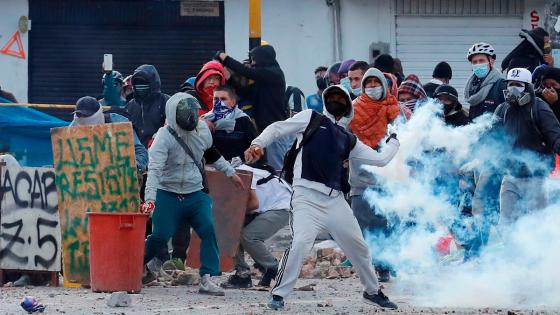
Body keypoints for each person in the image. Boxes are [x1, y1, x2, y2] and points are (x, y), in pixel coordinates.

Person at [244, 85, 400, 310]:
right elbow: (278, 128)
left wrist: (394, 140)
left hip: (335, 200)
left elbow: (381, 160)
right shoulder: (311, 118)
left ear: (348, 106)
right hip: (306, 197)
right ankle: (278, 294)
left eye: (340, 97)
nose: (335, 99)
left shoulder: (349, 139)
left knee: (359, 247)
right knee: (300, 244)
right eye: (332, 96)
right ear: (325, 101)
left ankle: (372, 291)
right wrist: (258, 143)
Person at [141, 92, 245, 296]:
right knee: (161, 235)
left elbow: (211, 152)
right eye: (185, 114)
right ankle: (137, 265)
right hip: (167, 191)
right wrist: (150, 200)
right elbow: (154, 170)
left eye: (193, 113)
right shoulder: (163, 138)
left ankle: (208, 278)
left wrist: (230, 173)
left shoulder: (202, 130)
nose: (190, 118)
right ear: (172, 115)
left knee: (208, 229)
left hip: (195, 191)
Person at [348, 67, 400, 282]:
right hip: (360, 177)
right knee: (361, 224)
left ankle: (384, 266)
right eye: (367, 85)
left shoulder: (394, 111)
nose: (371, 88)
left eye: (375, 84)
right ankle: (368, 266)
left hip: (387, 179)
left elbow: (404, 139)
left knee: (383, 224)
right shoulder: (352, 110)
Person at [493, 68, 560, 224]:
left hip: (535, 177)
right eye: (510, 84)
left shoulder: (539, 107)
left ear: (528, 86)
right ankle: (510, 248)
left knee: (537, 225)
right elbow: (490, 137)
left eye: (518, 84)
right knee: (506, 224)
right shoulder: (502, 109)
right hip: (510, 175)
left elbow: (555, 135)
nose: (513, 89)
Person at [216, 45, 290, 170]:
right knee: (265, 168)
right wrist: (230, 79)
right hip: (264, 130)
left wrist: (224, 58)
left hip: (275, 130)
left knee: (276, 168)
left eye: (254, 59)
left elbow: (247, 72)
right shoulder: (265, 82)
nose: (252, 63)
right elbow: (246, 91)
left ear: (263, 58)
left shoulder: (274, 74)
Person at [221, 163, 291, 289]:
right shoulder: (234, 171)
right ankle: (243, 274)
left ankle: (275, 268)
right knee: (232, 231)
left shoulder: (240, 172)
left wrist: (234, 214)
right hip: (271, 206)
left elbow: (254, 204)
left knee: (249, 236)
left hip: (282, 207)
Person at [70, 96, 148, 172]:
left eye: (86, 115)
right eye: (81, 115)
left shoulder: (119, 123)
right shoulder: (73, 127)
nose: (83, 118)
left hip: (117, 177)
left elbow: (140, 151)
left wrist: (134, 167)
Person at [201, 85, 258, 161]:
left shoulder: (243, 120)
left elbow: (255, 145)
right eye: (216, 99)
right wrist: (200, 123)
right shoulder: (204, 120)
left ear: (233, 102)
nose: (219, 102)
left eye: (223, 99)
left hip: (238, 167)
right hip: (210, 168)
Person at [350, 67, 399, 149]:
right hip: (360, 156)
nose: (372, 85)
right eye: (369, 82)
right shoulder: (353, 107)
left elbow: (403, 132)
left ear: (383, 84)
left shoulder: (393, 105)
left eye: (376, 81)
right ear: (364, 86)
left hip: (390, 156)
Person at [125, 64, 169, 148]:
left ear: (153, 83)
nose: (140, 85)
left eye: (143, 82)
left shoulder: (166, 102)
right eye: (137, 83)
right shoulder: (130, 106)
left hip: (161, 154)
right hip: (137, 156)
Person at [464, 42, 506, 120]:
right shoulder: (473, 86)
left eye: (481, 61)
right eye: (474, 62)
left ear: (492, 62)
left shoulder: (500, 85)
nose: (478, 64)